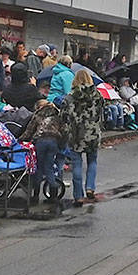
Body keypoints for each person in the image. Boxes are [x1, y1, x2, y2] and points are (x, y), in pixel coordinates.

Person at [61, 69, 104, 205]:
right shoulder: (97, 95)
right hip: (93, 133)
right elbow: (102, 114)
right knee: (92, 162)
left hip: (76, 135)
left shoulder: (70, 97)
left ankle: (78, 195)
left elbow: (63, 117)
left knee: (77, 164)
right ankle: (90, 187)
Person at [20, 98, 66, 199]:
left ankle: (36, 195)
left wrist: (19, 140)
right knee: (49, 167)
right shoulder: (57, 115)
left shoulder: (38, 115)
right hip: (53, 141)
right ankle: (54, 194)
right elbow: (64, 130)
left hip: (40, 142)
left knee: (39, 167)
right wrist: (61, 144)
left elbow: (29, 130)